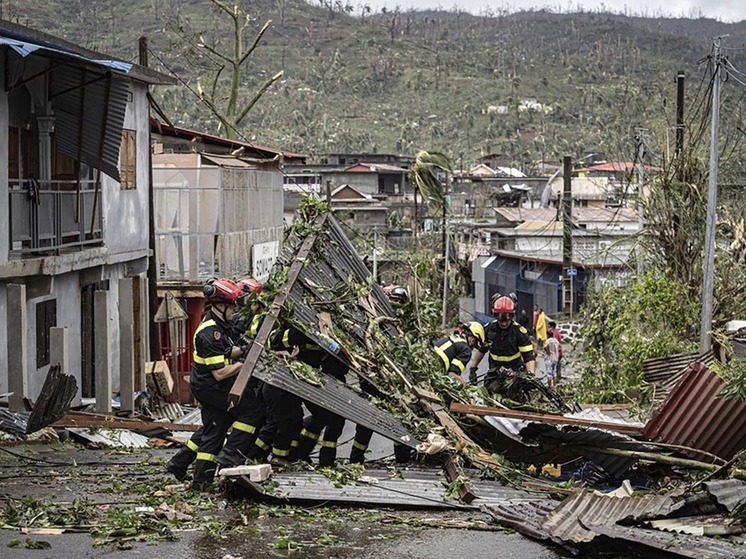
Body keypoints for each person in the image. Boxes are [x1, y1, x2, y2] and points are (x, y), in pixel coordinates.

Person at [166, 277, 265, 481]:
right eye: (232, 307)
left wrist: (247, 350)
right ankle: (228, 458)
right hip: (210, 386)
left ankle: (189, 471)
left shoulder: (221, 325)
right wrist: (247, 364)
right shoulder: (210, 333)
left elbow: (229, 350)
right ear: (219, 305)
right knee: (252, 410)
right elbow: (220, 373)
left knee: (215, 427)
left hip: (209, 384)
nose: (236, 311)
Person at [469, 296, 536, 391]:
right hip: (494, 372)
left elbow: (528, 357)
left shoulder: (519, 332)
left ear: (511, 316)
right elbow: (482, 350)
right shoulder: (489, 329)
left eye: (506, 321)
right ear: (496, 316)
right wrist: (473, 368)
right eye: (501, 321)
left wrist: (531, 375)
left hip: (514, 372)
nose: (504, 324)